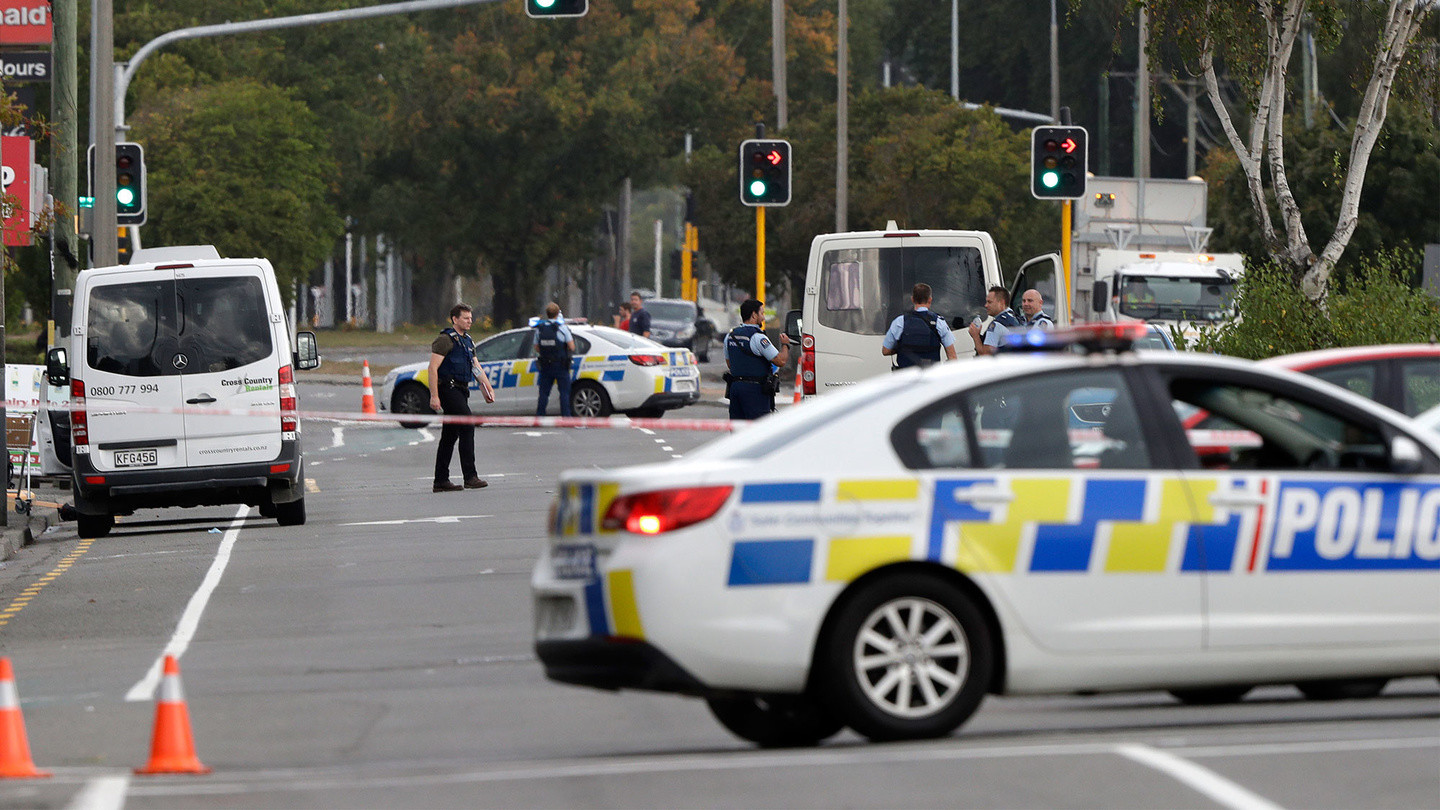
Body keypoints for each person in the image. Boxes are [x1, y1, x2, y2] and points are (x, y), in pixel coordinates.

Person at [428, 303, 496, 493]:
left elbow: (475, 366)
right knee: (467, 424)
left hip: (461, 390)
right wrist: (434, 396)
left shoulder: (467, 341)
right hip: (448, 389)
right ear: (455, 319)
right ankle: (470, 476)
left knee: (449, 436)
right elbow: (433, 368)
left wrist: (487, 387)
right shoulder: (445, 340)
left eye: (470, 318)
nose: (469, 321)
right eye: (465, 318)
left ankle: (440, 480)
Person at [724, 298, 790, 420]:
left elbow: (730, 364)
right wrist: (785, 344)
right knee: (759, 430)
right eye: (762, 313)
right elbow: (780, 361)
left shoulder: (730, 336)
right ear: (754, 315)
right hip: (755, 391)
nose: (763, 317)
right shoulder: (758, 338)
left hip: (735, 389)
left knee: (738, 430)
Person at [881, 282, 958, 368]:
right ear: (930, 299)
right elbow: (952, 356)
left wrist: (902, 349)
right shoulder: (939, 322)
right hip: (930, 376)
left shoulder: (899, 322)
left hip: (906, 376)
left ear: (912, 299)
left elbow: (885, 351)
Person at [534, 302, 575, 417]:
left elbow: (536, 347)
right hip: (561, 365)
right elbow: (572, 346)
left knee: (543, 394)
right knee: (564, 393)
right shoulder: (562, 328)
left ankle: (540, 416)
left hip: (545, 365)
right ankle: (566, 417)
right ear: (558, 313)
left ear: (547, 314)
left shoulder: (540, 329)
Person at [968, 286, 1023, 356]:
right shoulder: (1014, 317)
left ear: (1001, 303)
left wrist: (976, 336)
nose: (986, 305)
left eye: (989, 302)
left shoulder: (996, 325)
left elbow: (986, 356)